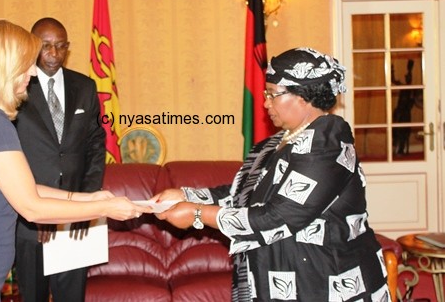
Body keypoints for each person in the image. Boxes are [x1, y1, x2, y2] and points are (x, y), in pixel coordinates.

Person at [0, 19, 149, 302]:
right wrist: (105, 208)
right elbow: (31, 208)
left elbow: (27, 187)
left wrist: (87, 199)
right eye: (26, 65)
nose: (32, 72)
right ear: (4, 68)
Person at [153, 47, 389, 301]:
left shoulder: (327, 140)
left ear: (303, 96)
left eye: (273, 94)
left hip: (324, 281)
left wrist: (197, 214)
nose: (265, 102)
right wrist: (186, 195)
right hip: (285, 278)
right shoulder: (278, 142)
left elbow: (282, 215)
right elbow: (244, 194)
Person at [13, 17, 104, 302]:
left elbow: (95, 144)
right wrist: (37, 209)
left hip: (73, 221)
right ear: (32, 47)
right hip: (31, 222)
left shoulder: (85, 87)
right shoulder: (17, 89)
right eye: (46, 46)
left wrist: (85, 206)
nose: (54, 54)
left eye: (61, 46)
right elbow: (11, 154)